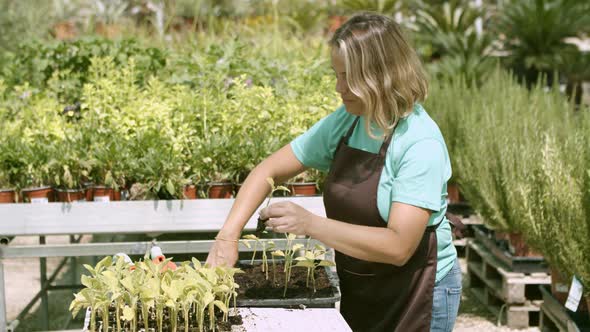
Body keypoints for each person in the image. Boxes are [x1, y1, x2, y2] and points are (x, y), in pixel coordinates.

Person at [206, 12, 461, 332]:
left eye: (348, 78)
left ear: (381, 75)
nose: (339, 88)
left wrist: (310, 224)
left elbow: (399, 247)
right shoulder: (350, 120)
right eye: (336, 75)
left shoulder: (419, 142)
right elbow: (268, 170)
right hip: (364, 283)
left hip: (418, 291)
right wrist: (228, 235)